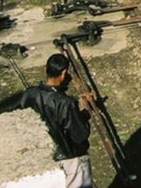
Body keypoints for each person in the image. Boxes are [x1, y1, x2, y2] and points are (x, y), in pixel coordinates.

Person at [21, 53, 92, 188]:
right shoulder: (65, 103)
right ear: (63, 73)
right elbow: (80, 135)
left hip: (44, 156)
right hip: (70, 158)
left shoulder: (29, 94)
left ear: (46, 70)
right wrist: (83, 112)